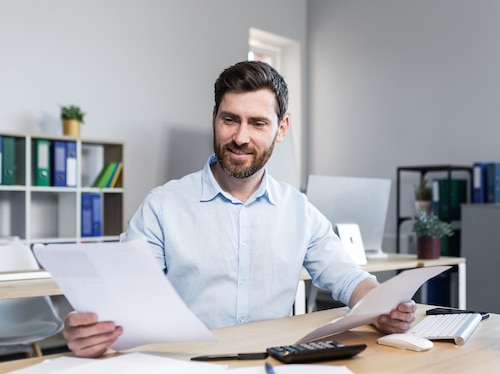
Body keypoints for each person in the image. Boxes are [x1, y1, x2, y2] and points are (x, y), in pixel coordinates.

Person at [63, 61, 417, 358]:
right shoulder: (163, 206)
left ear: (282, 129)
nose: (241, 137)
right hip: (185, 366)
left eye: (258, 123)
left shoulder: (298, 209)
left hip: (271, 366)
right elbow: (128, 298)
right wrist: (93, 331)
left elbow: (349, 278)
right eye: (230, 119)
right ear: (214, 117)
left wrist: (383, 307)